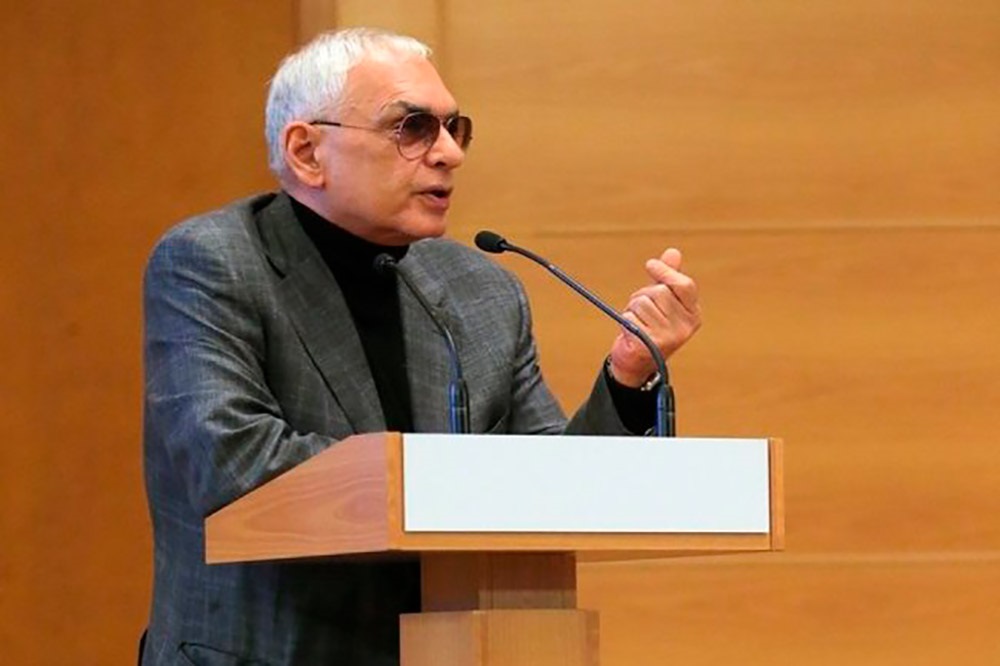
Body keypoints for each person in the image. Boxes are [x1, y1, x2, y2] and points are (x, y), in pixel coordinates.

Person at [140, 27, 700, 666]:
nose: (449, 154)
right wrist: (440, 485)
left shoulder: (479, 288)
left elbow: (547, 484)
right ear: (307, 152)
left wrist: (626, 379)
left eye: (454, 128)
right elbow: (230, 462)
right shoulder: (214, 263)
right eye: (412, 128)